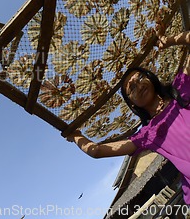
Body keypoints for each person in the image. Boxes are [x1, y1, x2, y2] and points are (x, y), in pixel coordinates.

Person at [67, 30, 190, 204]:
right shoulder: (146, 135)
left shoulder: (180, 87)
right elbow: (97, 151)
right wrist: (75, 136)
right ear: (133, 104)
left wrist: (168, 40)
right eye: (131, 88)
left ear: (150, 78)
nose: (138, 84)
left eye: (140, 77)